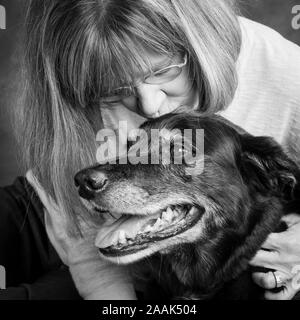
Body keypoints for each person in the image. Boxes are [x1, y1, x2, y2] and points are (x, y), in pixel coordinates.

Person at [1, 0, 300, 300]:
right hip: (70, 214)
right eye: (117, 90)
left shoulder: (288, 75)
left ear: (195, 44)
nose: (149, 106)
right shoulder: (82, 87)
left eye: (163, 71)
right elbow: (82, 234)